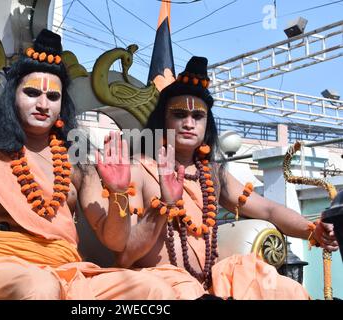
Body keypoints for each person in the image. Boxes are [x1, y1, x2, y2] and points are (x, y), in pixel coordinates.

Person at [0, 29, 178, 300]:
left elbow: (116, 241)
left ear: (62, 105)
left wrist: (119, 192)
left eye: (52, 97)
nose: (42, 104)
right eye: (32, 92)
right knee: (40, 286)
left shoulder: (76, 163)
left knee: (154, 290)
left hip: (66, 270)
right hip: (0, 265)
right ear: (12, 98)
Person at [94, 56, 339, 300]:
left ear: (206, 124)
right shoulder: (139, 168)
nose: (189, 123)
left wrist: (312, 231)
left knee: (287, 290)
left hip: (210, 283)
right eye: (179, 115)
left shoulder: (211, 172)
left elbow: (268, 210)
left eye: (197, 116)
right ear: (162, 120)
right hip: (161, 285)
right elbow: (124, 256)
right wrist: (164, 207)